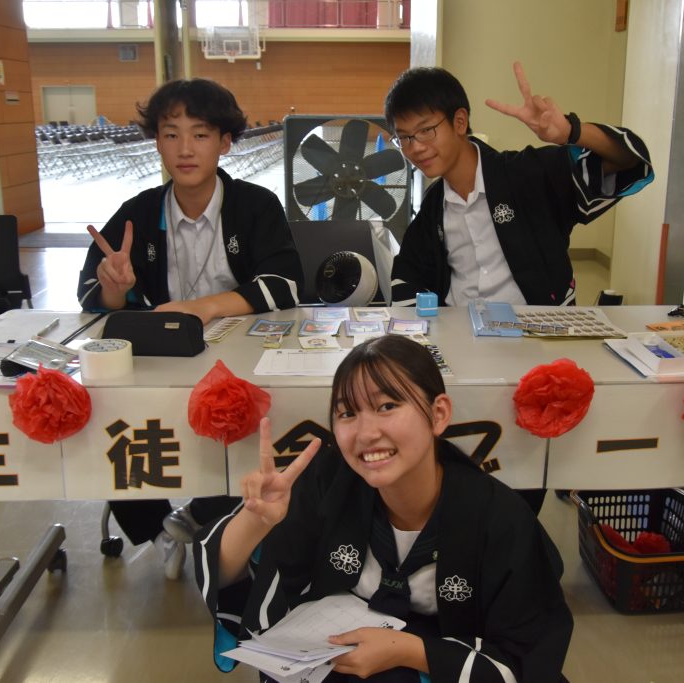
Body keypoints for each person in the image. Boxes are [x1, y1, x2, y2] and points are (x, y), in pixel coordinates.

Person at [194, 335, 574, 681]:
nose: (365, 433)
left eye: (387, 405)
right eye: (347, 413)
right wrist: (255, 521)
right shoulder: (327, 480)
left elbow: (527, 659)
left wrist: (411, 652)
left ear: (438, 414)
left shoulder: (498, 519)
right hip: (340, 661)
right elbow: (230, 580)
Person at [77, 78, 305, 580]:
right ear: (156, 141)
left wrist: (203, 308)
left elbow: (285, 284)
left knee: (255, 422)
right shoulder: (138, 211)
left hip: (243, 359)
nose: (184, 149)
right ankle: (161, 527)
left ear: (225, 143)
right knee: (112, 418)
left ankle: (205, 514)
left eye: (200, 135)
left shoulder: (255, 205)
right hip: (163, 359)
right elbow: (94, 299)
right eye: (170, 134)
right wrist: (115, 286)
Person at [386, 62, 653, 309]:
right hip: (461, 338)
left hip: (539, 338)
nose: (416, 147)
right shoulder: (433, 208)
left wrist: (571, 132)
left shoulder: (528, 175)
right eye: (405, 138)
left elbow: (629, 161)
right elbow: (406, 279)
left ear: (460, 121)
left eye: (425, 131)